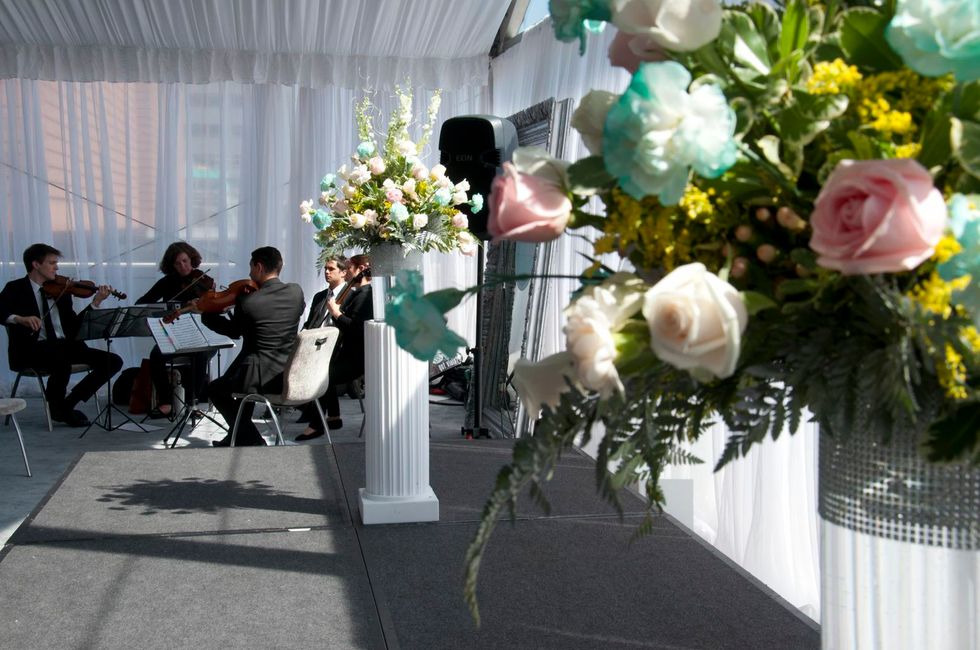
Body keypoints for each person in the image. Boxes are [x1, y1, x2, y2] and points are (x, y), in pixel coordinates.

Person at [0, 243, 124, 427]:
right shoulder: (15, 288)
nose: (56, 268)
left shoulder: (62, 291)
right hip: (31, 350)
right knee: (61, 361)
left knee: (113, 361)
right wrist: (19, 318)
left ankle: (66, 405)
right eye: (52, 263)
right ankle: (59, 408)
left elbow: (74, 328)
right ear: (36, 264)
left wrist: (96, 302)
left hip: (64, 346)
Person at [198, 246, 305, 447]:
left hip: (260, 376)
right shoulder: (295, 292)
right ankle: (236, 436)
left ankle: (252, 438)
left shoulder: (249, 301)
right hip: (289, 370)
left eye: (250, 267)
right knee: (239, 381)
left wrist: (207, 315)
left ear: (259, 267)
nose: (249, 273)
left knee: (215, 390)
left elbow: (234, 331)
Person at [295, 253, 372, 441]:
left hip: (354, 357)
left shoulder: (364, 294)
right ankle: (331, 416)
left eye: (349, 268)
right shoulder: (355, 293)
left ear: (361, 269)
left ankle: (316, 423)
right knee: (314, 368)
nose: (347, 273)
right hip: (339, 352)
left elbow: (356, 329)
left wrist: (336, 314)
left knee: (322, 374)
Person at [136, 241, 217, 419]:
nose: (183, 266)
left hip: (199, 335)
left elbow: (212, 309)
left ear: (192, 259)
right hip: (174, 335)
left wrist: (203, 304)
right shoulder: (166, 283)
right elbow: (141, 303)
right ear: (171, 265)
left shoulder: (203, 280)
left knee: (201, 354)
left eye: (185, 261)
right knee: (156, 355)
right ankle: (166, 403)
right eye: (178, 263)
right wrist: (167, 307)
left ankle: (192, 403)